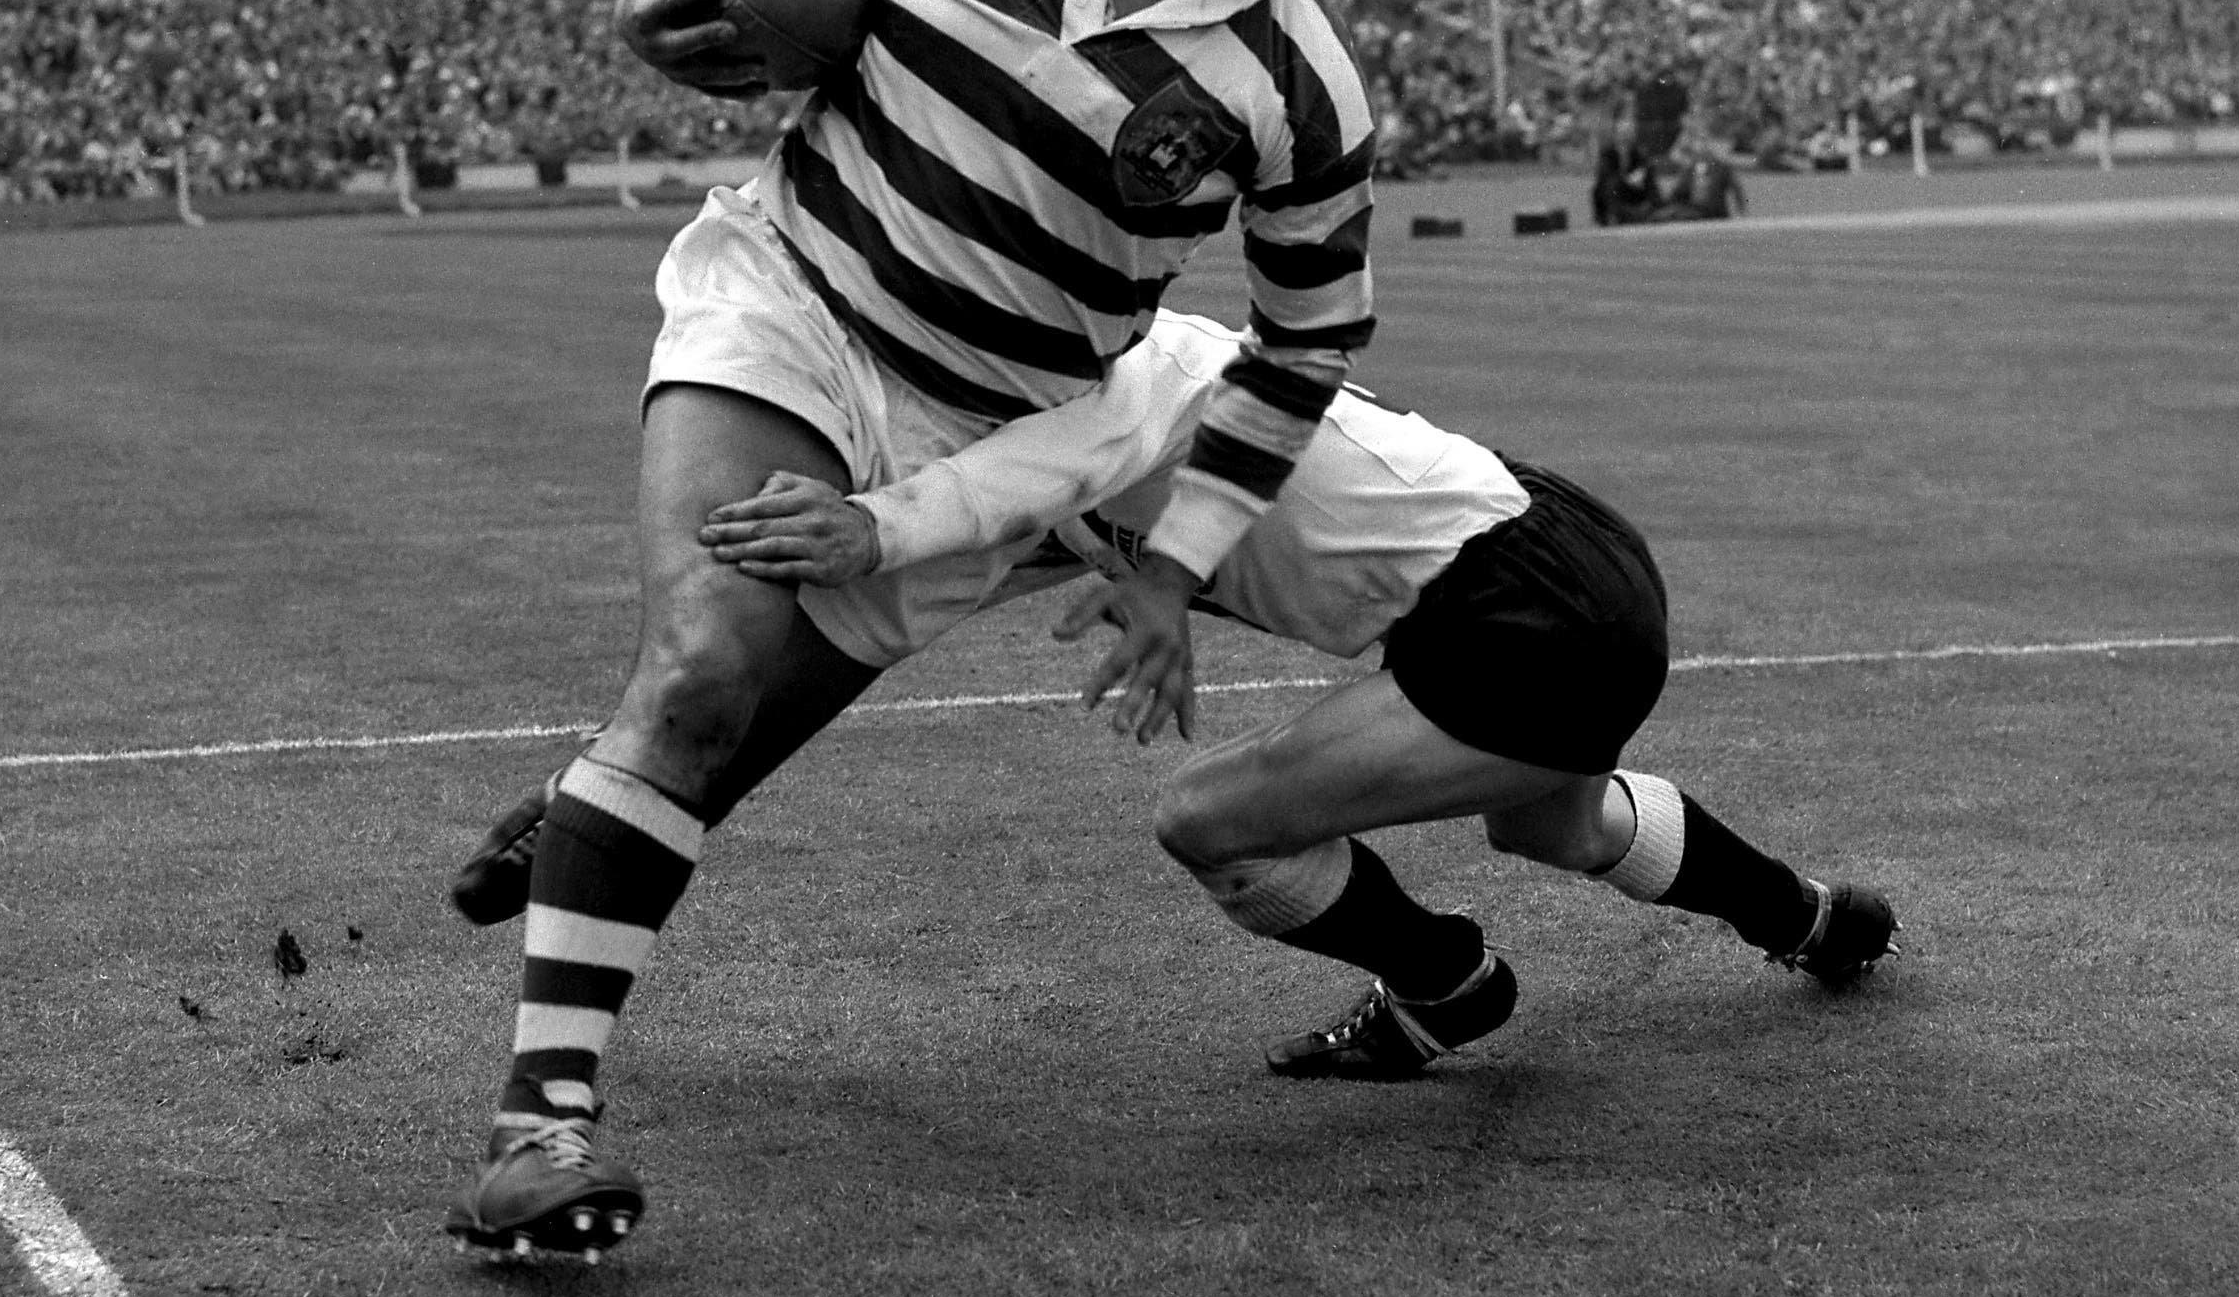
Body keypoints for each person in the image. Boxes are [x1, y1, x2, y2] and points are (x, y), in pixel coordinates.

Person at [447, 0, 1382, 1265]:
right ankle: (543, 1127)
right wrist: (673, 1)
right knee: (700, 678)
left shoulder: (1298, 83)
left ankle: (590, 801)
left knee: (707, 741)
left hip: (981, 442)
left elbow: (1307, 343)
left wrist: (1172, 566)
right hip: (793, 312)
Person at [690, 309, 1896, 1080]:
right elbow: (906, 597)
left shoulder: (1132, 376)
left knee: (1205, 817)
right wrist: (645, 770)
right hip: (1560, 547)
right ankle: (1806, 913)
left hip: (1517, 611)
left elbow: (1002, 487)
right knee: (1551, 821)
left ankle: (1447, 982)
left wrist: (870, 519)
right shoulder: (1059, 437)